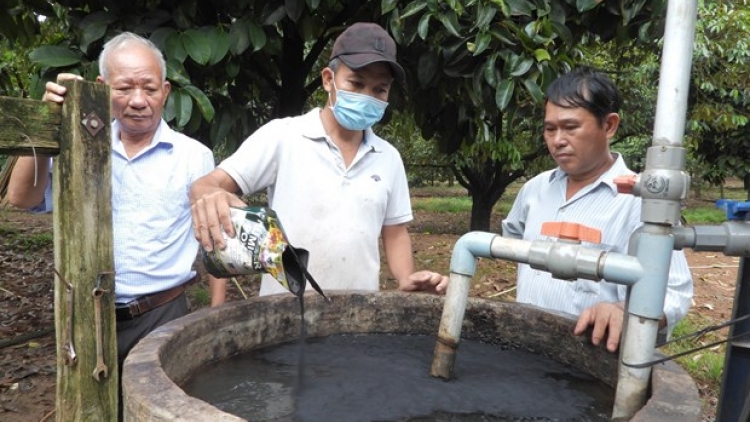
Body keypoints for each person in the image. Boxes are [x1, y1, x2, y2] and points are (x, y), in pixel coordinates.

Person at [7, 32, 228, 370]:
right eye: (124, 88)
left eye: (150, 89)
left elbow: (214, 235)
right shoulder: (77, 146)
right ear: (102, 87)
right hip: (86, 314)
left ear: (165, 91)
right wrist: (47, 122)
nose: (138, 100)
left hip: (163, 314)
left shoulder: (193, 157)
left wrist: (217, 308)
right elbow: (21, 198)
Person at [189, 22, 449, 296]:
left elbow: (394, 232)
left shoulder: (388, 158)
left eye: (379, 90)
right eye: (356, 83)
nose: (367, 97)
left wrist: (406, 279)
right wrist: (210, 195)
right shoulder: (283, 137)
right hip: (284, 312)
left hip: (357, 316)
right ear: (328, 79)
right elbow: (206, 186)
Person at [501, 67, 693, 352]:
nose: (557, 140)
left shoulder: (640, 203)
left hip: (592, 361)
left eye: (570, 127)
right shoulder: (535, 190)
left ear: (609, 125)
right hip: (525, 350)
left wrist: (623, 310)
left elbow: (674, 292)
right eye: (550, 129)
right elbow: (512, 237)